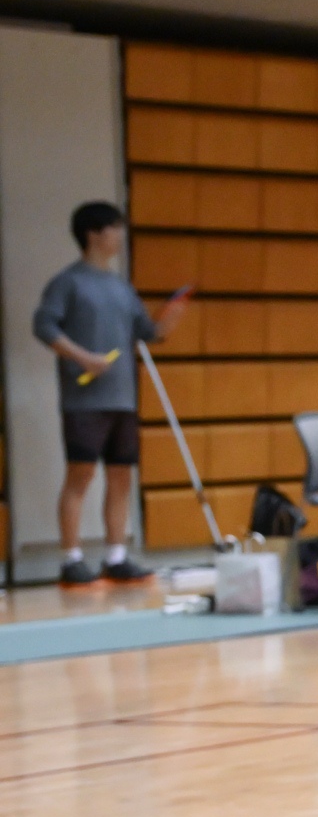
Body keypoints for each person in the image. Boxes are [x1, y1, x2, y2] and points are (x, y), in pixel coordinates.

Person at [33, 202, 190, 584]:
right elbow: (44, 326)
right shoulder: (68, 282)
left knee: (121, 476)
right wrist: (83, 357)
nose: (120, 235)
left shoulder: (121, 287)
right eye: (114, 228)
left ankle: (116, 556)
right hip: (85, 399)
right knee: (81, 473)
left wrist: (167, 323)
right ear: (94, 234)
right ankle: (71, 558)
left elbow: (147, 332)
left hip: (123, 397)